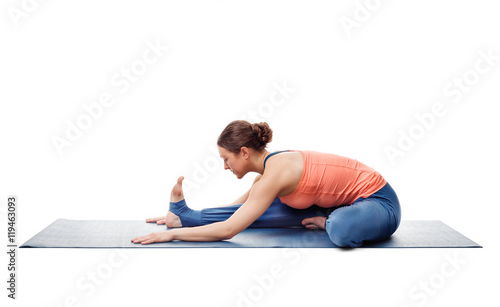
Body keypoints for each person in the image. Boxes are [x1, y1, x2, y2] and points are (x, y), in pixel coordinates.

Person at [131, 120, 401, 247]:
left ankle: (329, 219)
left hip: (379, 202)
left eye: (226, 159)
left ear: (244, 153)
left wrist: (171, 235)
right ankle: (181, 217)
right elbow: (238, 211)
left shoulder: (274, 176)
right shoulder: (267, 172)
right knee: (256, 213)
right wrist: (185, 219)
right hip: (340, 203)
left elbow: (228, 229)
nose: (225, 166)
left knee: (340, 230)